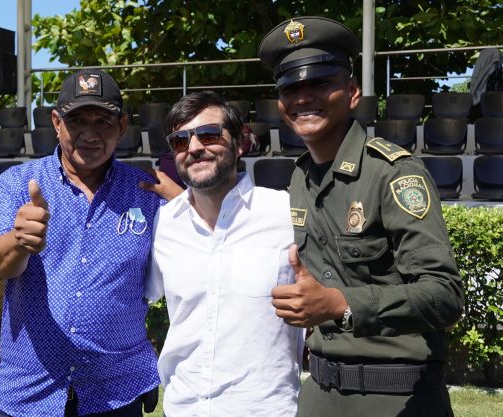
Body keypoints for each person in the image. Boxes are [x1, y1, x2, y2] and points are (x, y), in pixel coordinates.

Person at [258, 16, 464, 416]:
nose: (303, 97)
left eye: (319, 83)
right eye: (291, 87)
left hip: (395, 395)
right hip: (320, 393)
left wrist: (340, 304)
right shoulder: (300, 176)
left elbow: (444, 295)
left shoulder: (393, 172)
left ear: (352, 92)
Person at [0, 69, 182, 417]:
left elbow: (201, 254)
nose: (90, 134)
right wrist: (19, 240)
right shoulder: (17, 184)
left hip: (117, 391)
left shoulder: (148, 191)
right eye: (77, 120)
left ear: (122, 125)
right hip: (28, 391)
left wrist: (185, 205)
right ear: (57, 122)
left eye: (103, 121)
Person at [145, 91, 303, 416]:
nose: (194, 148)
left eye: (209, 135)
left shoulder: (286, 215)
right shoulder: (164, 224)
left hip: (268, 411)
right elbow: (128, 304)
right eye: (179, 141)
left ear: (240, 143)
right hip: (183, 408)